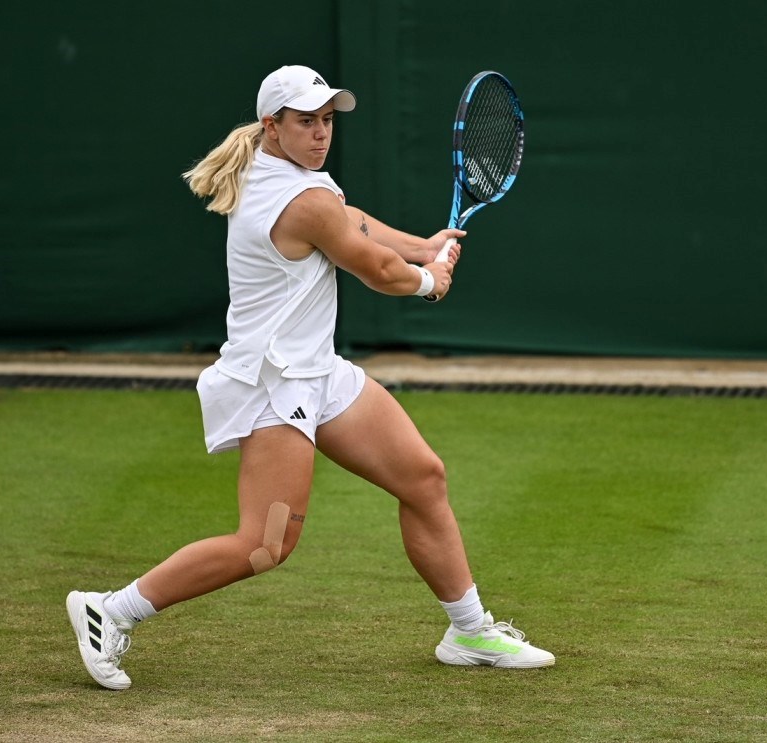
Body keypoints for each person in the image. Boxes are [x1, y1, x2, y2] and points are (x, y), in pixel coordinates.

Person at [66, 64, 554, 690]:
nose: (322, 133)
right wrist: (429, 281)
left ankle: (469, 631)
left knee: (423, 478)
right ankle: (110, 609)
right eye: (307, 122)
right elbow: (373, 266)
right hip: (274, 384)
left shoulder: (293, 176)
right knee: (263, 546)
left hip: (317, 371)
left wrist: (423, 244)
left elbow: (355, 223)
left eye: (327, 120)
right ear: (273, 126)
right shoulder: (299, 199)